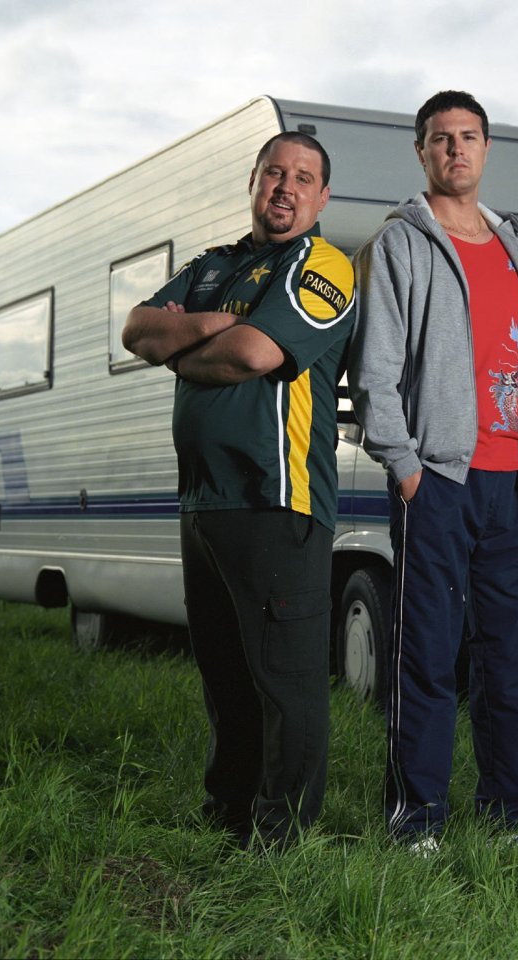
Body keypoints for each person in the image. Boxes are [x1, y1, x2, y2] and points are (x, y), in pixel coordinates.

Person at [348, 91, 518, 853]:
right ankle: (418, 821)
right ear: (421, 152)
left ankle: (516, 816)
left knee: (516, 660)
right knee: (428, 655)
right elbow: (373, 368)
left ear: (486, 147)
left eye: (468, 136)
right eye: (440, 138)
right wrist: (405, 466)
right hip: (439, 479)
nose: (455, 150)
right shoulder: (400, 244)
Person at [122, 132, 355, 848]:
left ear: (321, 197)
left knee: (284, 681)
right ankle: (228, 814)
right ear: (253, 181)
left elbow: (256, 352)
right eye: (274, 173)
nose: (285, 187)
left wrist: (184, 349)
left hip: (275, 499)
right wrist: (215, 324)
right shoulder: (212, 266)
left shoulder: (325, 264)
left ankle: (283, 836)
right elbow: (137, 329)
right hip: (204, 501)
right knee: (225, 674)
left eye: (303, 178)